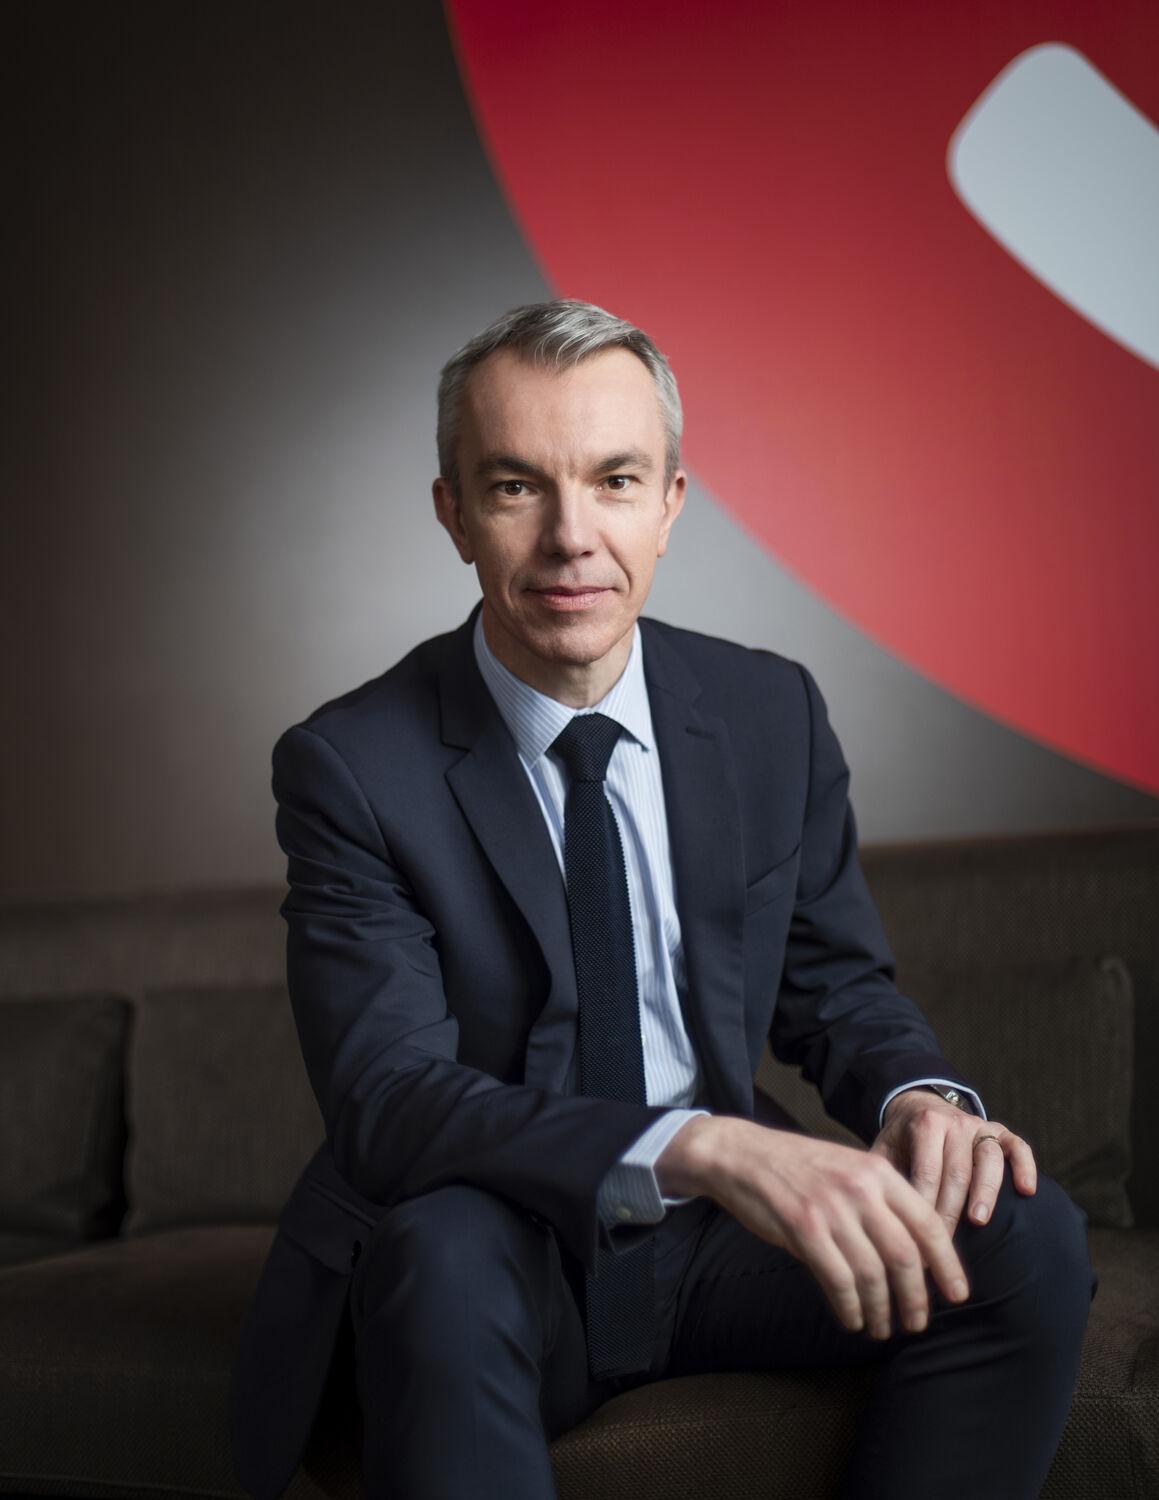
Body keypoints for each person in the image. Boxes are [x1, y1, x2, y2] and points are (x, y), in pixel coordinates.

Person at [228, 299, 1096, 1500]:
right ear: (453, 514)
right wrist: (700, 1149)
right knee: (439, 1252)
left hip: (718, 1250)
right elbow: (390, 1102)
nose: (571, 537)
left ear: (671, 503)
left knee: (1024, 1236)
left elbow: (834, 985)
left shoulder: (768, 713)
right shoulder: (352, 766)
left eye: (616, 481)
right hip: (502, 1241)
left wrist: (917, 1098)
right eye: (516, 487)